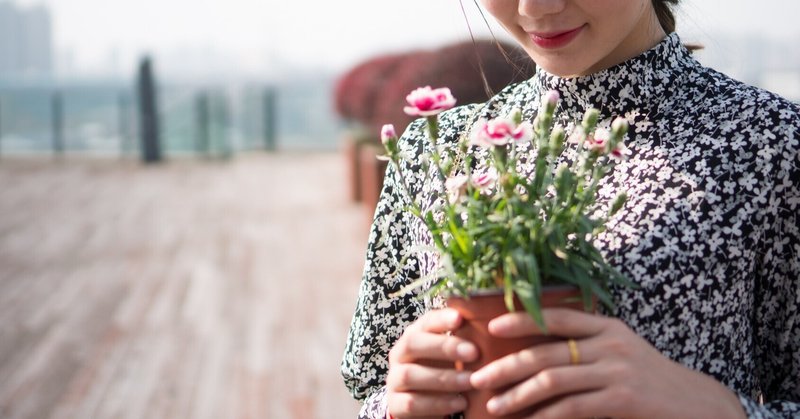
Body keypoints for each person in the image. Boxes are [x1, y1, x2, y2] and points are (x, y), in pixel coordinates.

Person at [342, 0, 800, 417]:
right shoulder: (435, 149)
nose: (536, 7)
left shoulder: (770, 143)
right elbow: (369, 381)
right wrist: (394, 405)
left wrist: (720, 410)